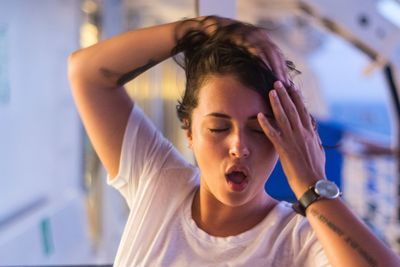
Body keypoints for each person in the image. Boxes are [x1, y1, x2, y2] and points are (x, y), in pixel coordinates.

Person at [68, 16, 400, 266]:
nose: (239, 146)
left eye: (259, 130)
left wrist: (312, 183)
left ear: (285, 138)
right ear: (189, 131)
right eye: (217, 128)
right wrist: (206, 29)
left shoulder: (299, 243)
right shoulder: (158, 185)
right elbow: (88, 72)